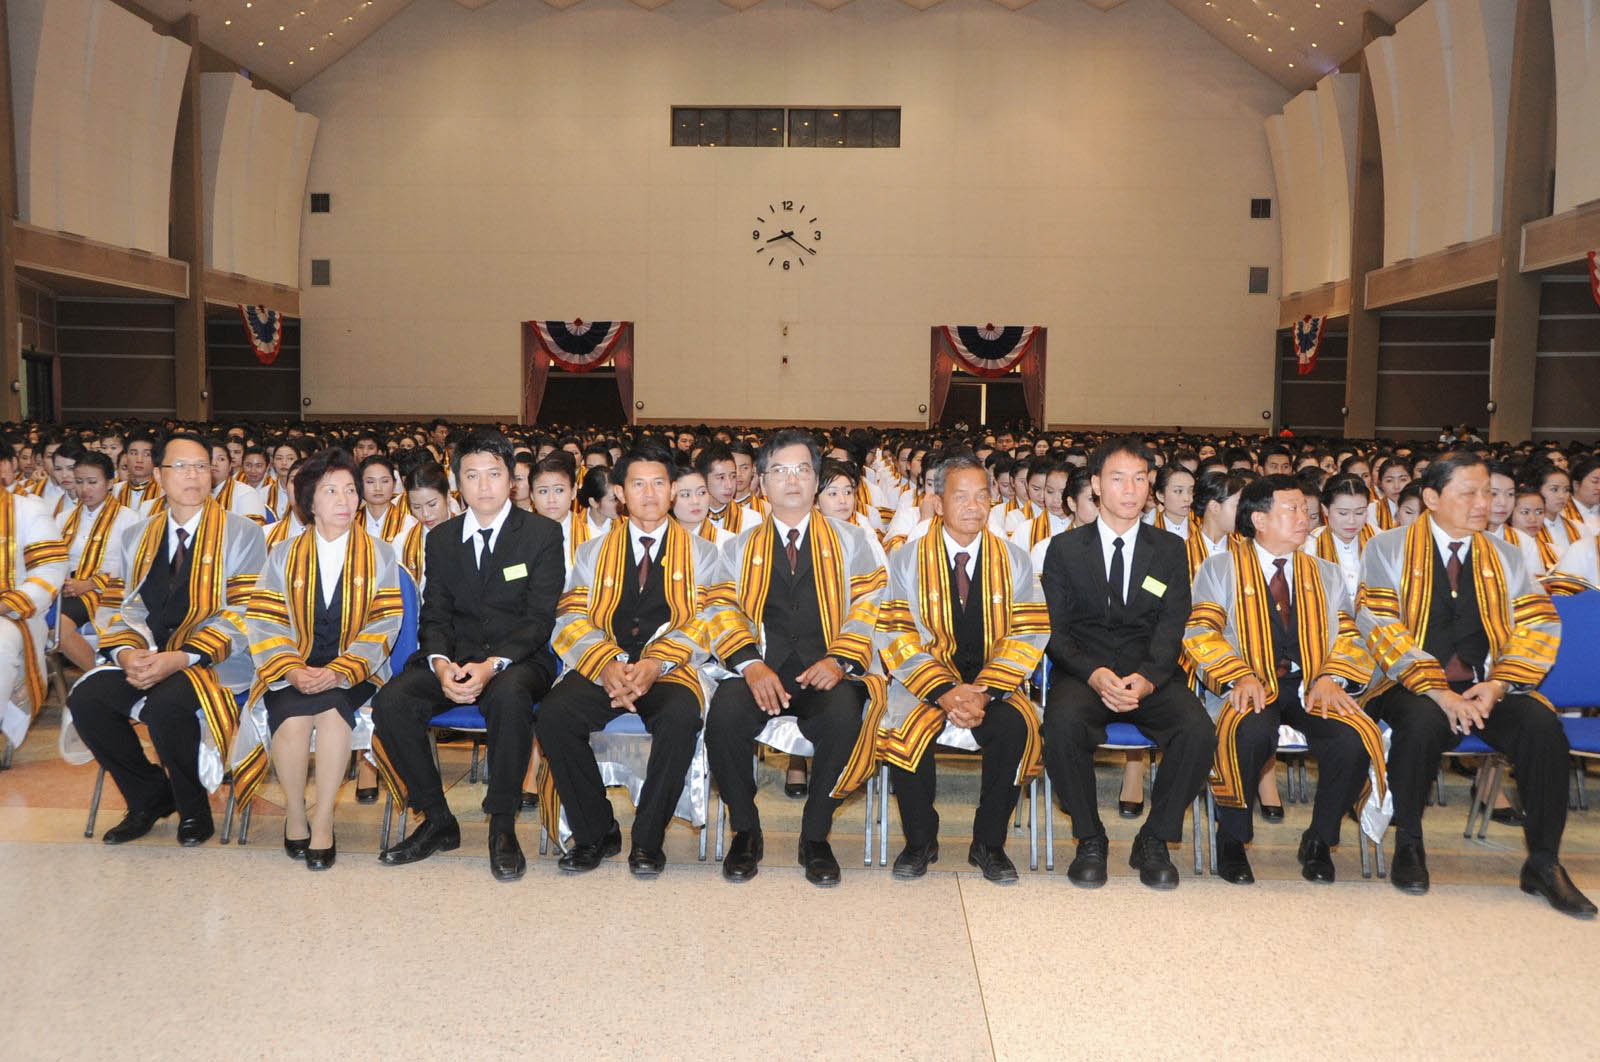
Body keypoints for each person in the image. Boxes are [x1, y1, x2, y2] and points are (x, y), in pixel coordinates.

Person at [1356, 451, 1594, 916]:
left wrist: (1500, 684)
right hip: (1411, 685)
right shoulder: (1387, 548)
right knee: (1419, 725)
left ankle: (1544, 862)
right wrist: (1440, 691)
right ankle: (1409, 844)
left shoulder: (1505, 554)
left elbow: (1538, 624)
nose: (1484, 503)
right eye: (1469, 493)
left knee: (1543, 729)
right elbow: (1379, 624)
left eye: (1488, 492)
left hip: (1485, 685)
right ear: (1431, 498)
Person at [372, 429, 565, 881]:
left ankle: (502, 824)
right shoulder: (442, 538)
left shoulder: (541, 534)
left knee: (509, 696)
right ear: (458, 484)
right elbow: (435, 614)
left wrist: (492, 665)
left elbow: (539, 619)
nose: (484, 485)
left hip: (519, 659)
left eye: (493, 474)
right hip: (455, 657)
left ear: (511, 482)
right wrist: (441, 664)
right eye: (472, 476)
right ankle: (438, 819)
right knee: (392, 701)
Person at [66, 432, 267, 846]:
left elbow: (243, 612)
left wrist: (183, 658)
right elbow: (123, 607)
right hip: (150, 652)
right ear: (158, 475)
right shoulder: (138, 536)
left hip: (216, 661)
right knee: (88, 699)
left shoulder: (242, 533)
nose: (193, 475)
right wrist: (126, 653)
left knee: (165, 706)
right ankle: (150, 796)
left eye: (201, 466)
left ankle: (193, 810)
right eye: (181, 467)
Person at [536, 439, 725, 877]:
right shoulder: (593, 551)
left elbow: (710, 619)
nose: (650, 493)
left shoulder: (703, 553)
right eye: (638, 484)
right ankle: (595, 831)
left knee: (680, 718)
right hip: (604, 666)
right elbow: (570, 616)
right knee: (554, 716)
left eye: (659, 483)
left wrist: (655, 664)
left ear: (672, 489)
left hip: (670, 668)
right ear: (620, 493)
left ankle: (648, 839)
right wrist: (605, 664)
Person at [705, 430, 884, 886]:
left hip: (826, 671)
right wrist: (750, 664)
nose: (792, 480)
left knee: (845, 716)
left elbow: (870, 605)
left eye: (802, 470)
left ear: (816, 480)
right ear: (761, 482)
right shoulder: (739, 547)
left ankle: (815, 834)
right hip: (762, 669)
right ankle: (746, 830)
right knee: (723, 717)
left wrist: (840, 660)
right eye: (780, 471)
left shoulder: (851, 541)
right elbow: (720, 608)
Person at [1184, 476, 1382, 885]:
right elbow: (1201, 631)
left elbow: (1349, 634)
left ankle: (1319, 839)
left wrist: (1331, 676)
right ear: (1259, 519)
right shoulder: (1221, 568)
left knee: (1353, 739)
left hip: (1310, 683)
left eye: (1305, 510)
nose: (1303, 518)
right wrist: (1238, 675)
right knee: (1249, 732)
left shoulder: (1324, 573)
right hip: (1248, 682)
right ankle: (1232, 839)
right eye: (1291, 510)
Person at [1039, 437, 1216, 890]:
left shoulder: (1169, 550)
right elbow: (1055, 631)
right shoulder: (1065, 549)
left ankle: (1154, 838)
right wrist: (1094, 674)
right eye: (1118, 479)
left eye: (1140, 479)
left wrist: (1149, 678)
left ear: (1151, 484)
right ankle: (1089, 838)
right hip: (1086, 673)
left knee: (1197, 730)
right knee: (1060, 726)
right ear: (1097, 485)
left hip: (1149, 674)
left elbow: (1173, 625)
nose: (1130, 489)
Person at [873, 452, 1048, 884]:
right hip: (923, 683)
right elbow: (895, 631)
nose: (973, 506)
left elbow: (1028, 632)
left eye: (981, 496)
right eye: (961, 496)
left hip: (995, 685)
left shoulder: (1014, 559)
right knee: (905, 725)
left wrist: (983, 693)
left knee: (1015, 728)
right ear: (937, 502)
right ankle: (920, 841)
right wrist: (944, 691)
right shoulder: (908, 559)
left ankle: (988, 844)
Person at [235, 449, 404, 870]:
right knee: (293, 720)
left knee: (331, 715)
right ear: (309, 501)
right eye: (331, 491)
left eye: (350, 490)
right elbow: (264, 620)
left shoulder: (380, 553)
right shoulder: (282, 553)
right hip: (291, 667)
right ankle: (296, 813)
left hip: (355, 671)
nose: (344, 500)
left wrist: (339, 671)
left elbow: (385, 622)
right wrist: (292, 668)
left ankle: (324, 819)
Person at [57, 453, 140, 672]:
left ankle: (97, 675)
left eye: (92, 482)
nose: (85, 489)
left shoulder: (129, 519)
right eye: (79, 482)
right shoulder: (63, 518)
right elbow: (53, 559)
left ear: (110, 483)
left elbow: (132, 566)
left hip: (106, 590)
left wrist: (89, 584)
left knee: (59, 627)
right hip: (65, 588)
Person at [357, 454, 417, 543]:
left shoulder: (410, 524)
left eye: (385, 481)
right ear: (359, 484)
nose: (378, 488)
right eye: (370, 482)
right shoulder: (351, 523)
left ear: (394, 484)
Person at [670, 465, 733, 546]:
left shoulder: (728, 542)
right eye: (685, 495)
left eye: (701, 493)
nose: (695, 501)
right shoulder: (660, 540)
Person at [208, 440, 267, 522]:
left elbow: (253, 529)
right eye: (209, 458)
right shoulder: (195, 494)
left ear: (230, 466)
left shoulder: (246, 494)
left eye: (221, 459)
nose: (214, 463)